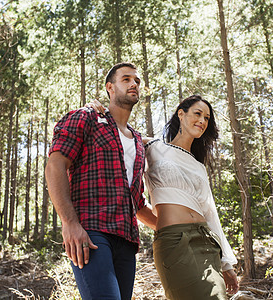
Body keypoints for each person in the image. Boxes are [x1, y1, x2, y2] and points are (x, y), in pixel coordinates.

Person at [88, 95, 239, 300]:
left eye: (207, 118)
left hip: (206, 242)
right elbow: (118, 135)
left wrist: (226, 263)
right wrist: (102, 112)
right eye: (197, 113)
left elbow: (210, 212)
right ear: (181, 114)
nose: (202, 121)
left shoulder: (198, 166)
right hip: (175, 241)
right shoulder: (153, 147)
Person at [45, 62, 156, 300]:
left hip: (127, 242)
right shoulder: (88, 118)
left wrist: (170, 229)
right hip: (91, 233)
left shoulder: (137, 141)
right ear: (110, 87)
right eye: (126, 79)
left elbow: (136, 202)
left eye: (136, 80)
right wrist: (69, 223)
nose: (133, 84)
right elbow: (55, 165)